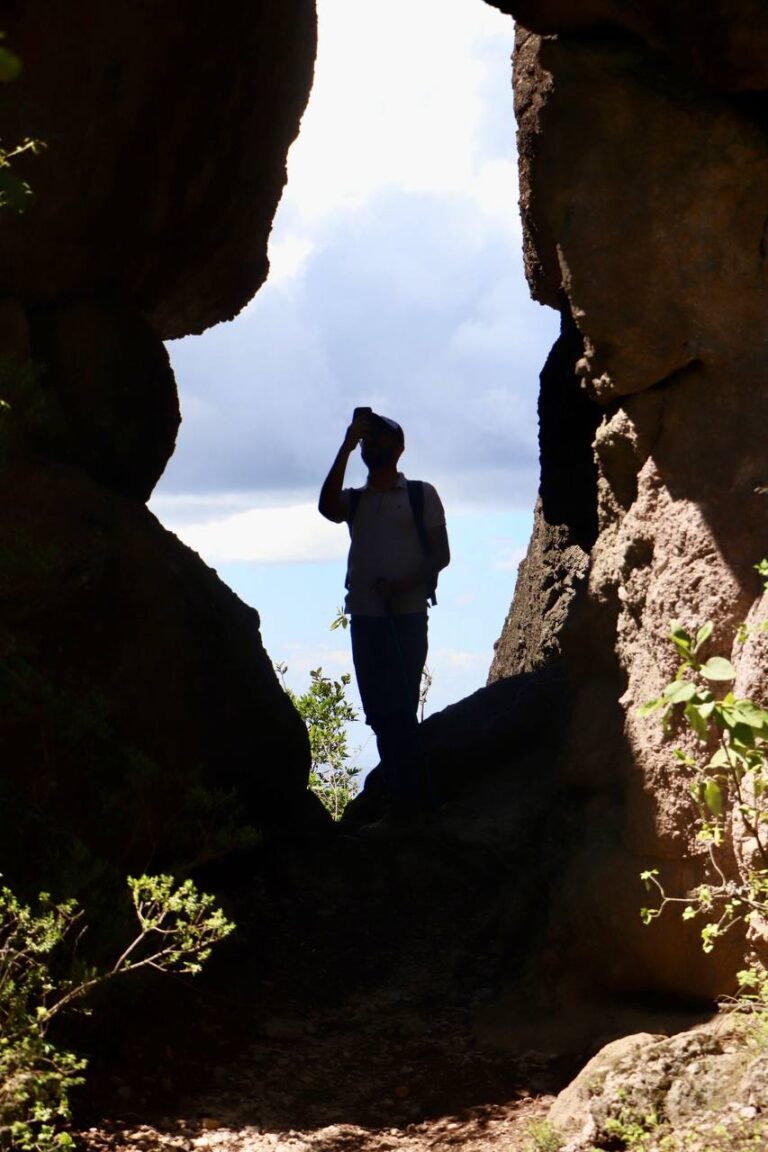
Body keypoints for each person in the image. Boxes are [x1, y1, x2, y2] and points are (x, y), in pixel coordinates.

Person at [318, 409, 450, 829]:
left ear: (397, 447)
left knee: (398, 707)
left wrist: (402, 582)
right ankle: (406, 800)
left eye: (376, 440)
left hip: (407, 614)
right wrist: (344, 444)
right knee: (378, 710)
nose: (369, 446)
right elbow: (326, 507)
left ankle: (406, 803)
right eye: (365, 441)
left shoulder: (420, 494)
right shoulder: (356, 500)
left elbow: (440, 554)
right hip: (367, 616)